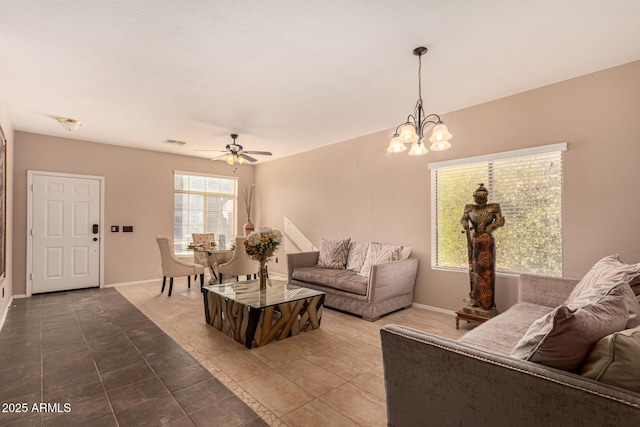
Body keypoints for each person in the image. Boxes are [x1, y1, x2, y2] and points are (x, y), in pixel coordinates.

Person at [460, 184, 505, 312]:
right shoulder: (469, 208)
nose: (480, 198)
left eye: (483, 195)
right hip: (475, 240)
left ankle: (487, 301)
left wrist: (491, 227)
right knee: (474, 267)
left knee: (486, 270)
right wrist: (465, 224)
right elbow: (463, 219)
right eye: (478, 195)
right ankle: (475, 297)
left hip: (487, 240)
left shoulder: (494, 207)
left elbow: (500, 221)